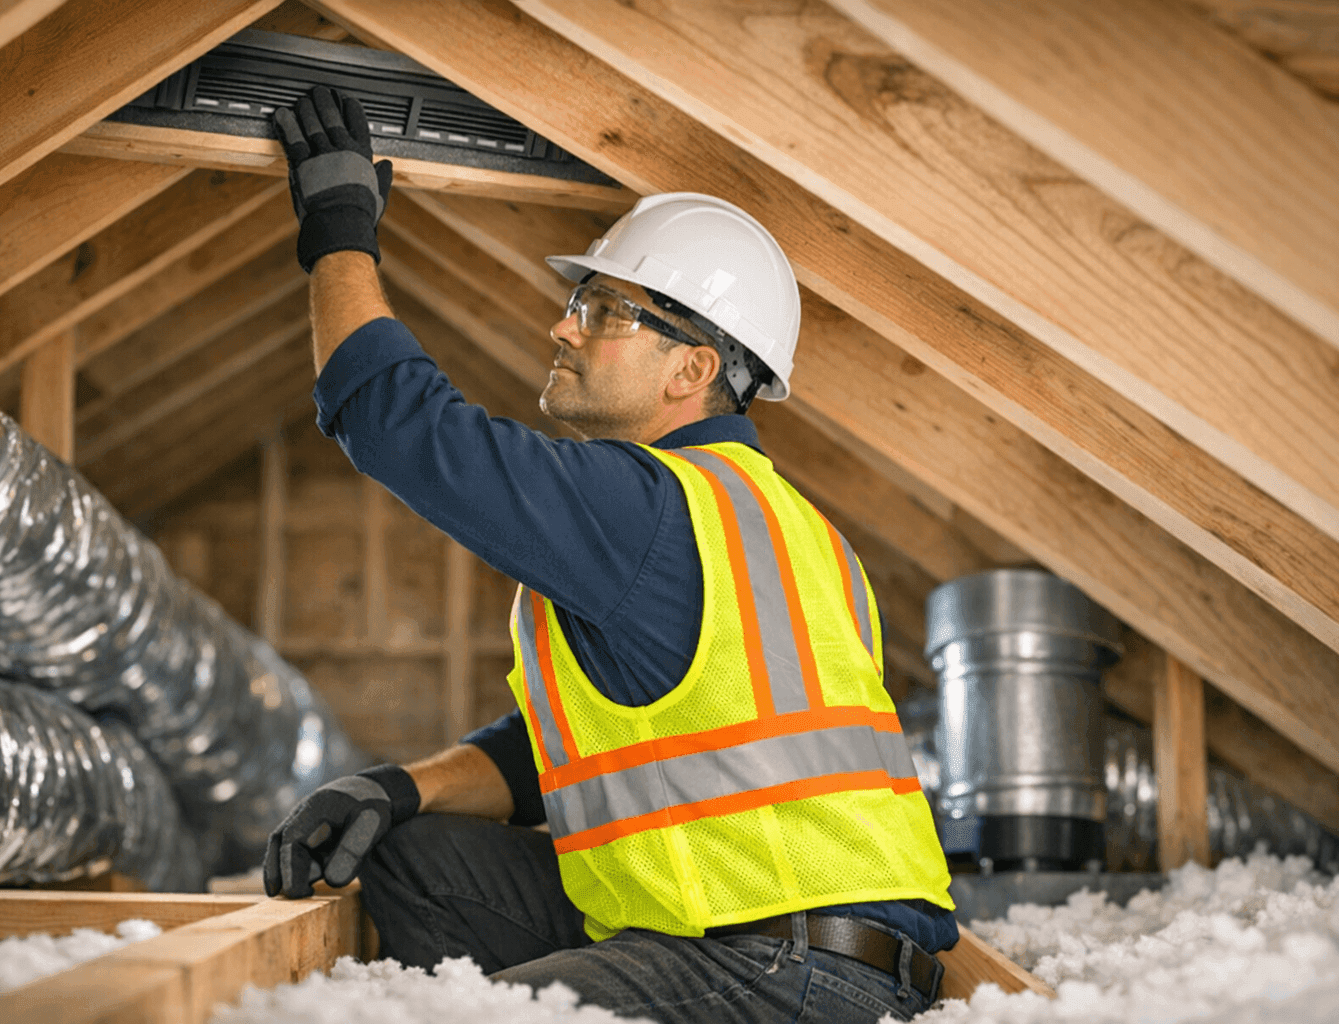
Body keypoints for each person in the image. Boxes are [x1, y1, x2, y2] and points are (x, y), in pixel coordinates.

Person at [262, 86, 957, 1024]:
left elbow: (397, 425)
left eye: (602, 309)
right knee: (413, 854)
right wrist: (398, 788)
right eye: (575, 304)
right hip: (757, 939)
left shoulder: (646, 506)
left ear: (693, 369)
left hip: (788, 973)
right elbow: (561, 753)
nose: (562, 325)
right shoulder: (785, 526)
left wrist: (338, 229)